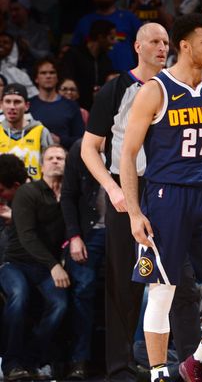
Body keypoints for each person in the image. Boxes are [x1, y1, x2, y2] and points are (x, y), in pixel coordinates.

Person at [120, 13, 202, 382]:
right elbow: (128, 155)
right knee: (163, 292)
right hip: (167, 197)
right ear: (184, 45)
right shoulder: (154, 90)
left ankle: (201, 360)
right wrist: (133, 212)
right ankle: (159, 373)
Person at [80, 22, 199, 382]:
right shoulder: (116, 88)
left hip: (170, 189)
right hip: (125, 188)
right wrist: (113, 189)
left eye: (166, 42)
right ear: (137, 46)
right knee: (123, 284)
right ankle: (120, 370)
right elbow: (89, 148)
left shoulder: (178, 86)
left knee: (179, 280)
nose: (162, 48)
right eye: (155, 42)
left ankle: (191, 365)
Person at [0, 145, 68, 381]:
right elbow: (27, 236)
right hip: (15, 263)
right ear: (41, 166)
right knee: (18, 297)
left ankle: (30, 360)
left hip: (44, 267)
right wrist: (55, 265)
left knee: (59, 304)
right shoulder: (27, 192)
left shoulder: (69, 196)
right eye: (50, 158)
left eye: (60, 158)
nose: (55, 161)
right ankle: (10, 363)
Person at [60, 138, 106, 380]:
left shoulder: (135, 139)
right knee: (82, 293)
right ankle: (79, 360)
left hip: (125, 233)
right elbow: (68, 195)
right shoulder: (82, 147)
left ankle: (125, 360)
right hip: (89, 233)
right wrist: (74, 235)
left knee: (127, 294)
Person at [0, 83, 54, 180]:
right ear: (1, 105)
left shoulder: (41, 132)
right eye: (8, 101)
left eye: (17, 102)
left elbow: (51, 169)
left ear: (26, 106)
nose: (12, 106)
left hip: (33, 192)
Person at [29, 58, 85, 149]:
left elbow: (81, 138)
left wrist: (60, 140)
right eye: (43, 73)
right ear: (36, 78)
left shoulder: (71, 105)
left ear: (57, 77)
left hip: (63, 157)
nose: (48, 76)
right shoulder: (28, 105)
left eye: (52, 72)